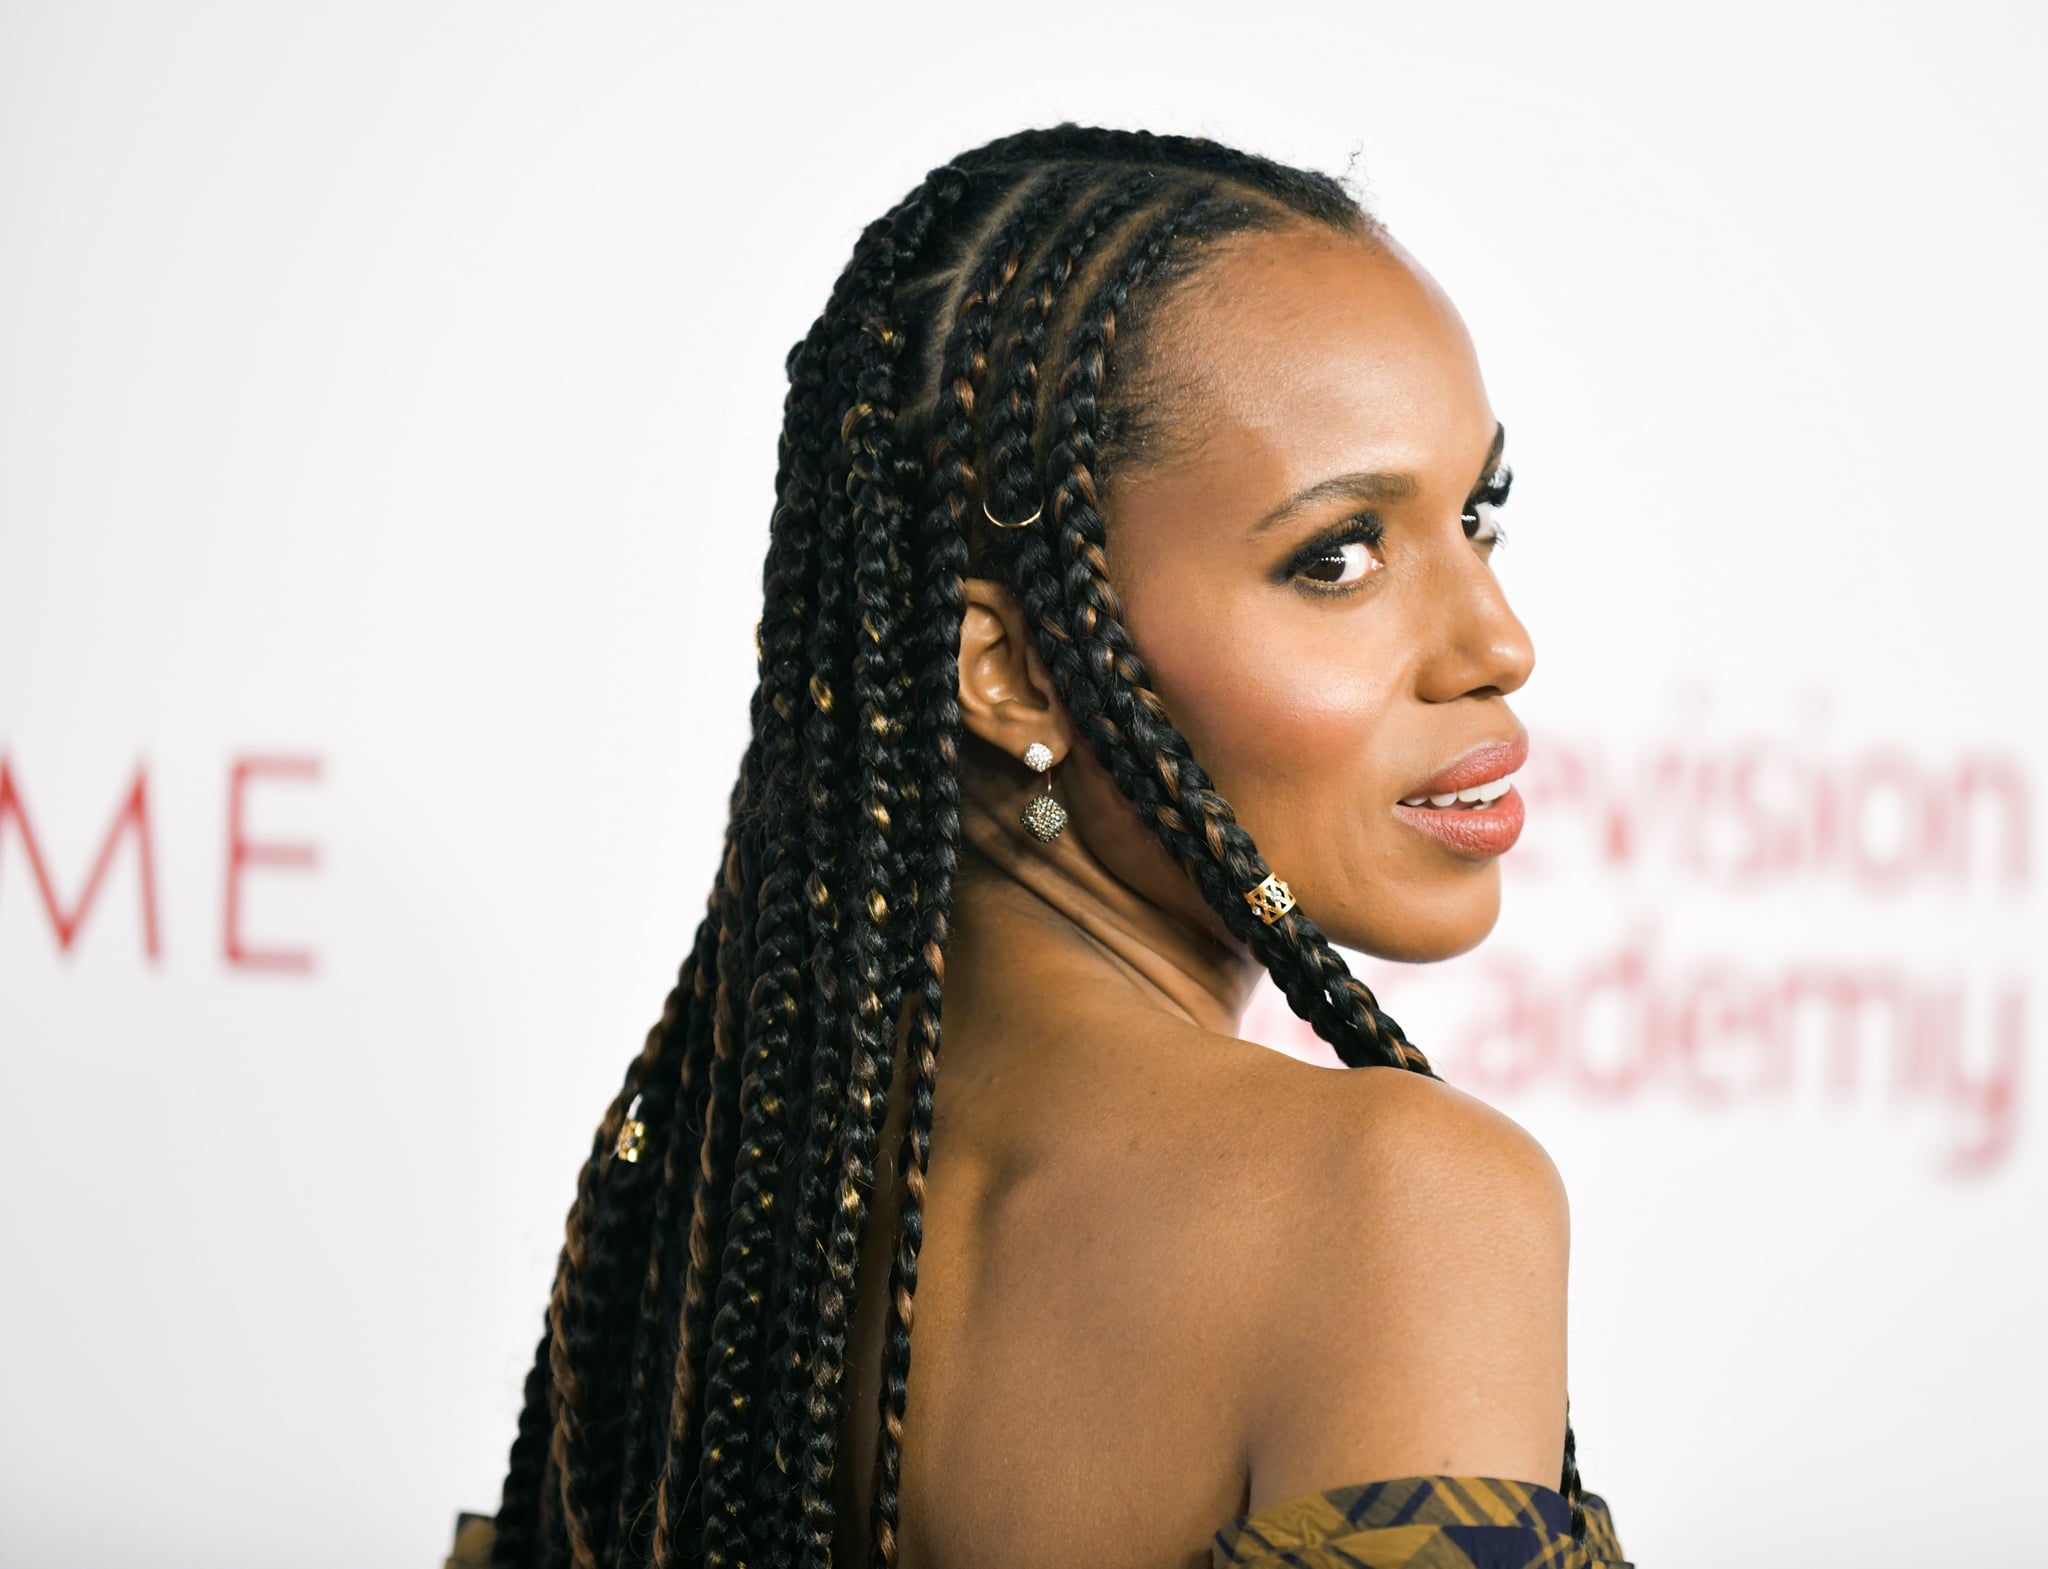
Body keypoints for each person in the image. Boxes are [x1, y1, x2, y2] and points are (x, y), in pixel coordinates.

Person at [460, 123, 1631, 1569]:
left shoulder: (703, 1235)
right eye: (1337, 554)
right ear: (1011, 671)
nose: (1497, 641)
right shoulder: (1399, 1204)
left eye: (1477, 516)